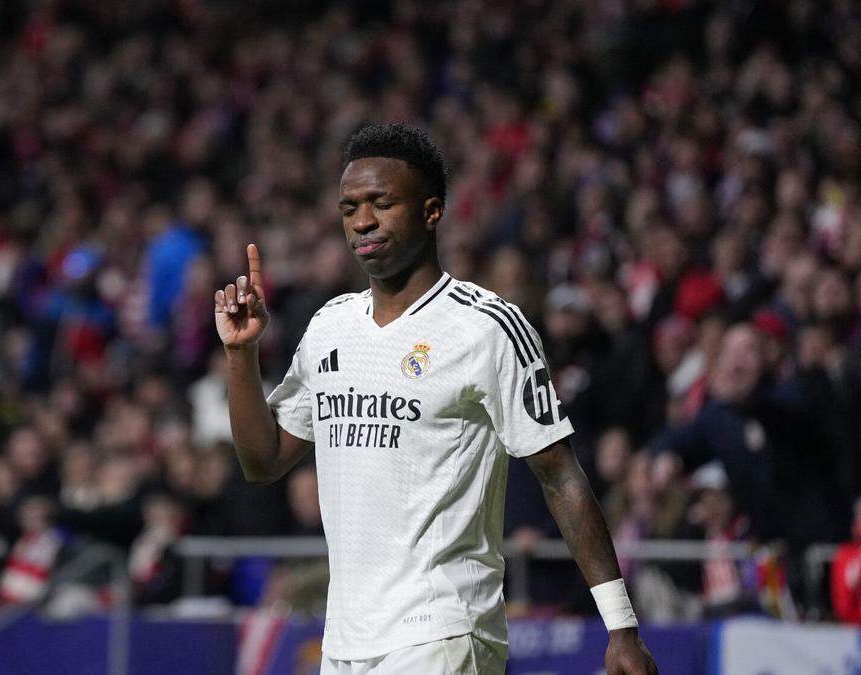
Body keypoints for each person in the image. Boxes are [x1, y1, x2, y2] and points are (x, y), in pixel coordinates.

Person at [214, 123, 656, 674]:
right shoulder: (330, 327)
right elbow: (263, 461)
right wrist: (241, 355)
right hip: (346, 641)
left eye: (381, 203)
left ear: (431, 212)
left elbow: (559, 471)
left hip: (443, 631)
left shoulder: (487, 327)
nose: (362, 221)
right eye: (349, 208)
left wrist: (620, 625)